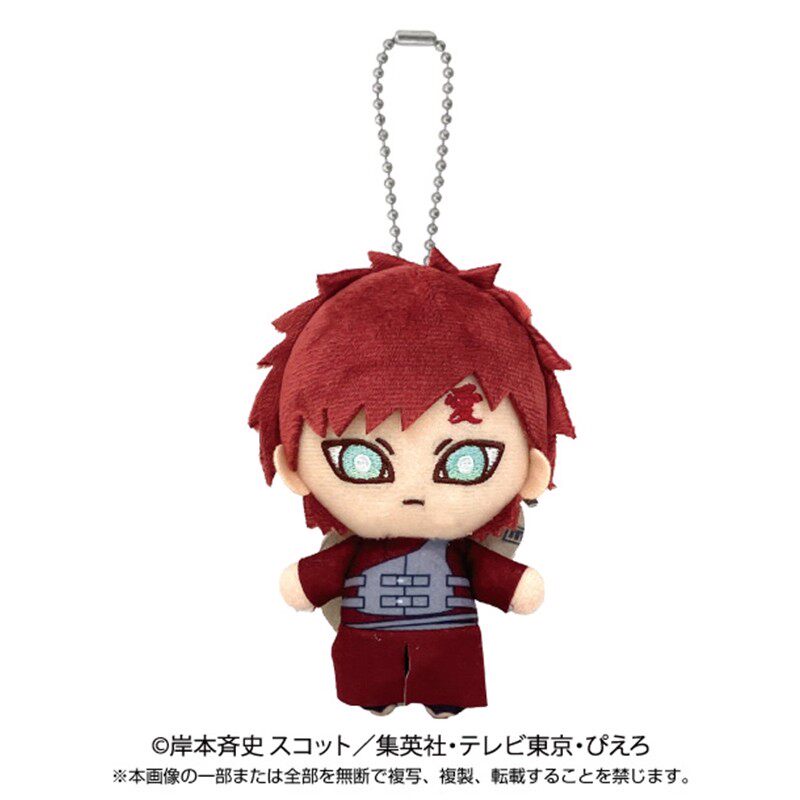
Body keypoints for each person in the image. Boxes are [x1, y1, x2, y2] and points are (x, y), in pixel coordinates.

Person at [249, 249, 574, 717]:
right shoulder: (357, 549)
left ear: (531, 471)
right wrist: (303, 582)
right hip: (370, 636)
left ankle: (445, 695)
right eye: (361, 461)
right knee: (368, 668)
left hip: (447, 635)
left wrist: (516, 585)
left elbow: (490, 574)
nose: (413, 492)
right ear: (294, 467)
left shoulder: (453, 551)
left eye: (467, 462)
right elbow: (317, 577)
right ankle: (376, 693)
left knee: (450, 668)